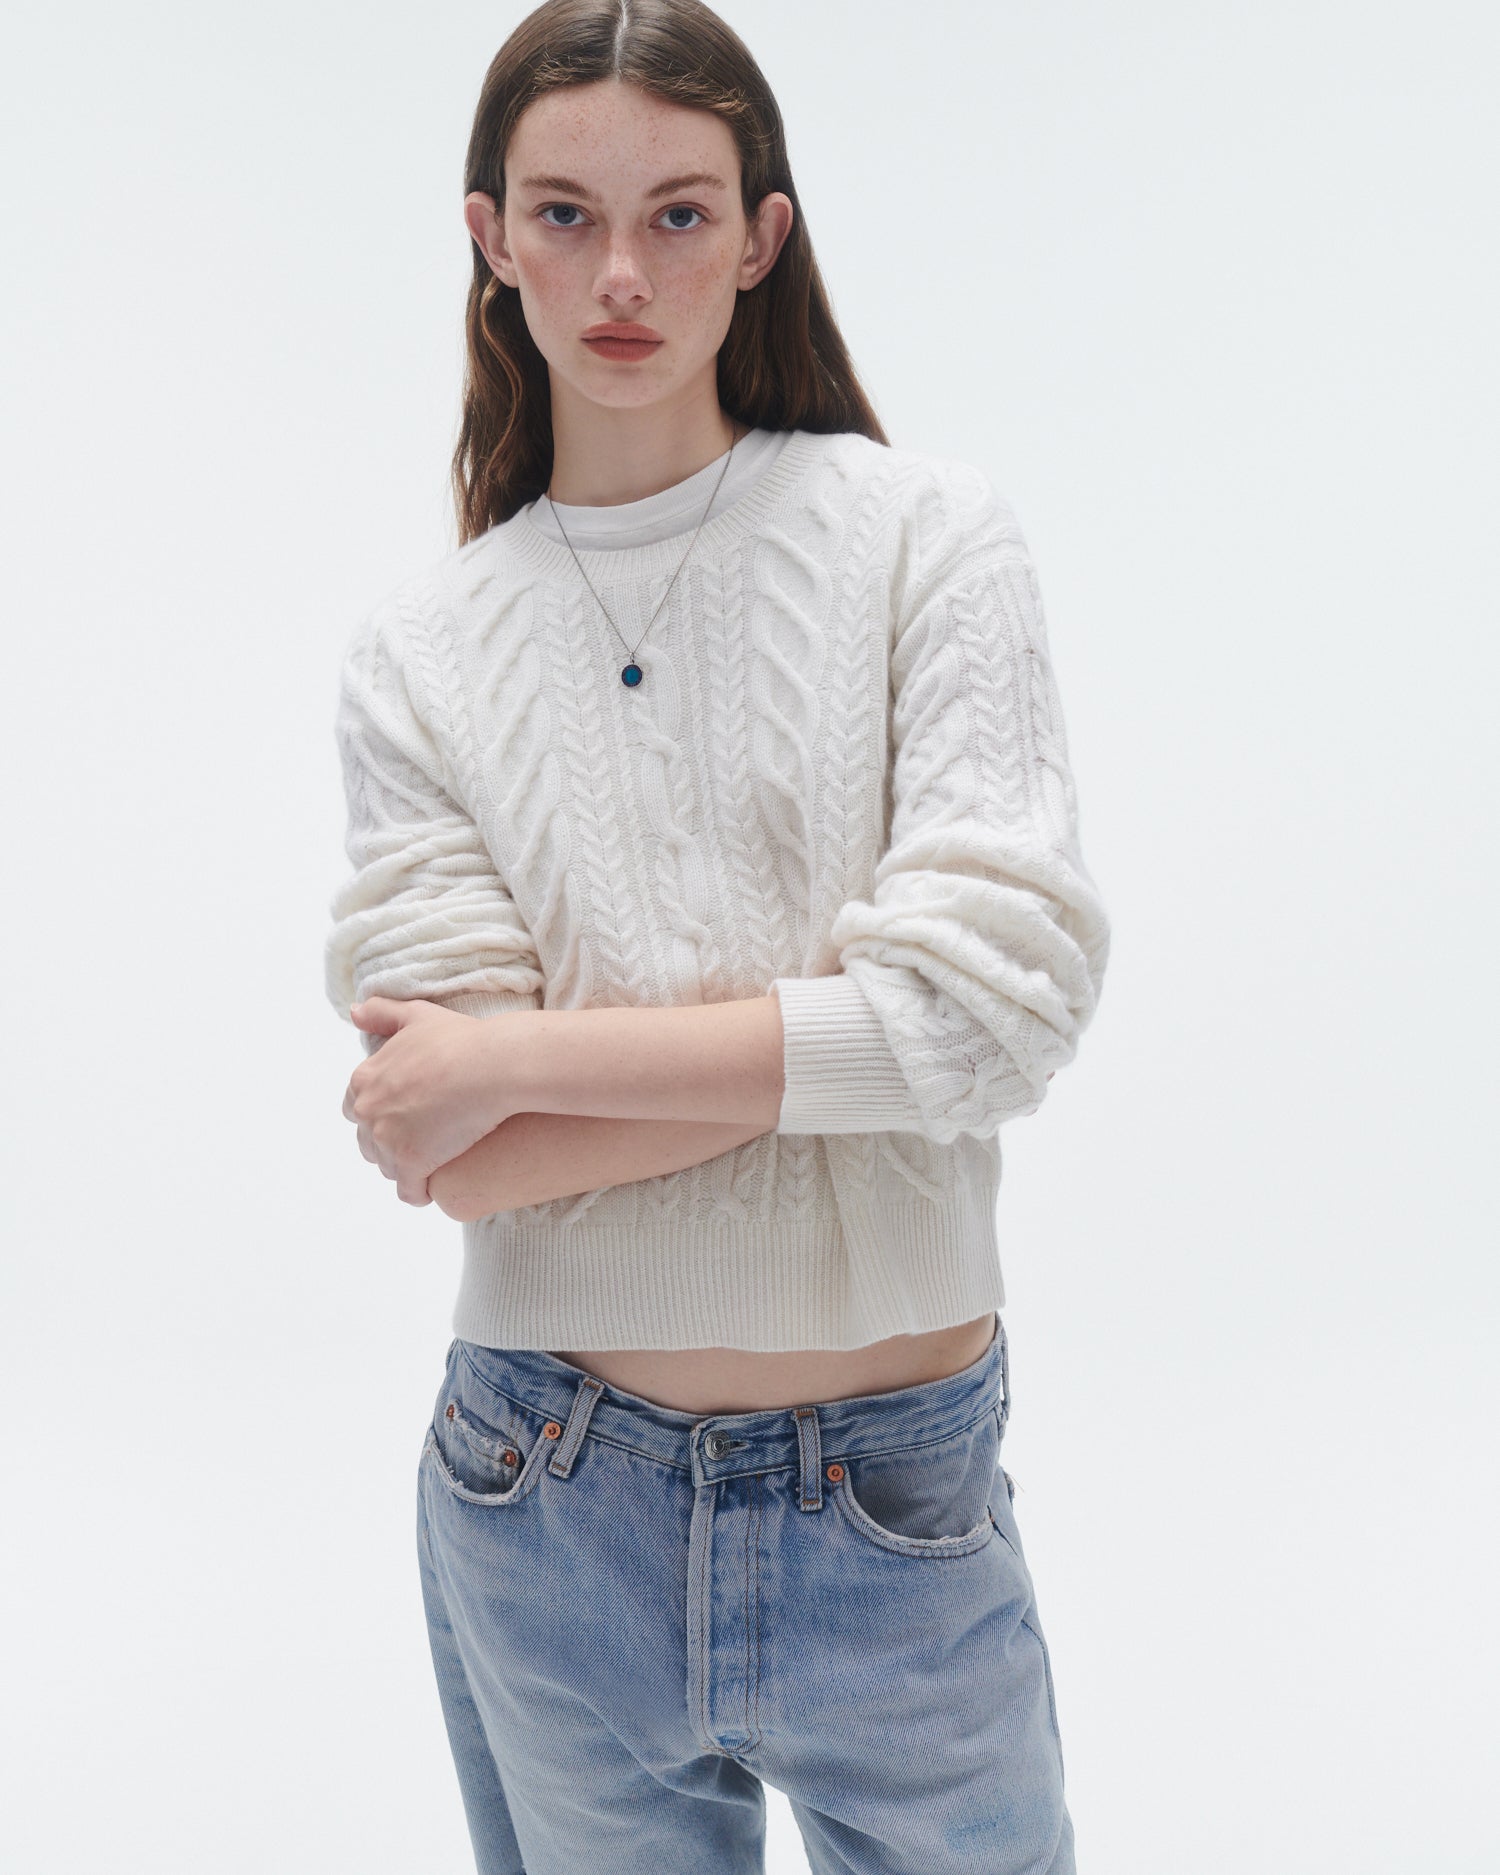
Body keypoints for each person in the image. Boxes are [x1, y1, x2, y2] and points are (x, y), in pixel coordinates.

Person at [325, 4, 1110, 1870]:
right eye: (567, 214)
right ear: (490, 237)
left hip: (896, 1496)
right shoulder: (418, 656)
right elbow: (464, 1159)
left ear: (761, 238)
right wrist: (854, 1046)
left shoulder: (927, 541)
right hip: (546, 1491)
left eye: (678, 215)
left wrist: (521, 1057)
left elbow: (997, 1017)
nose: (622, 273)